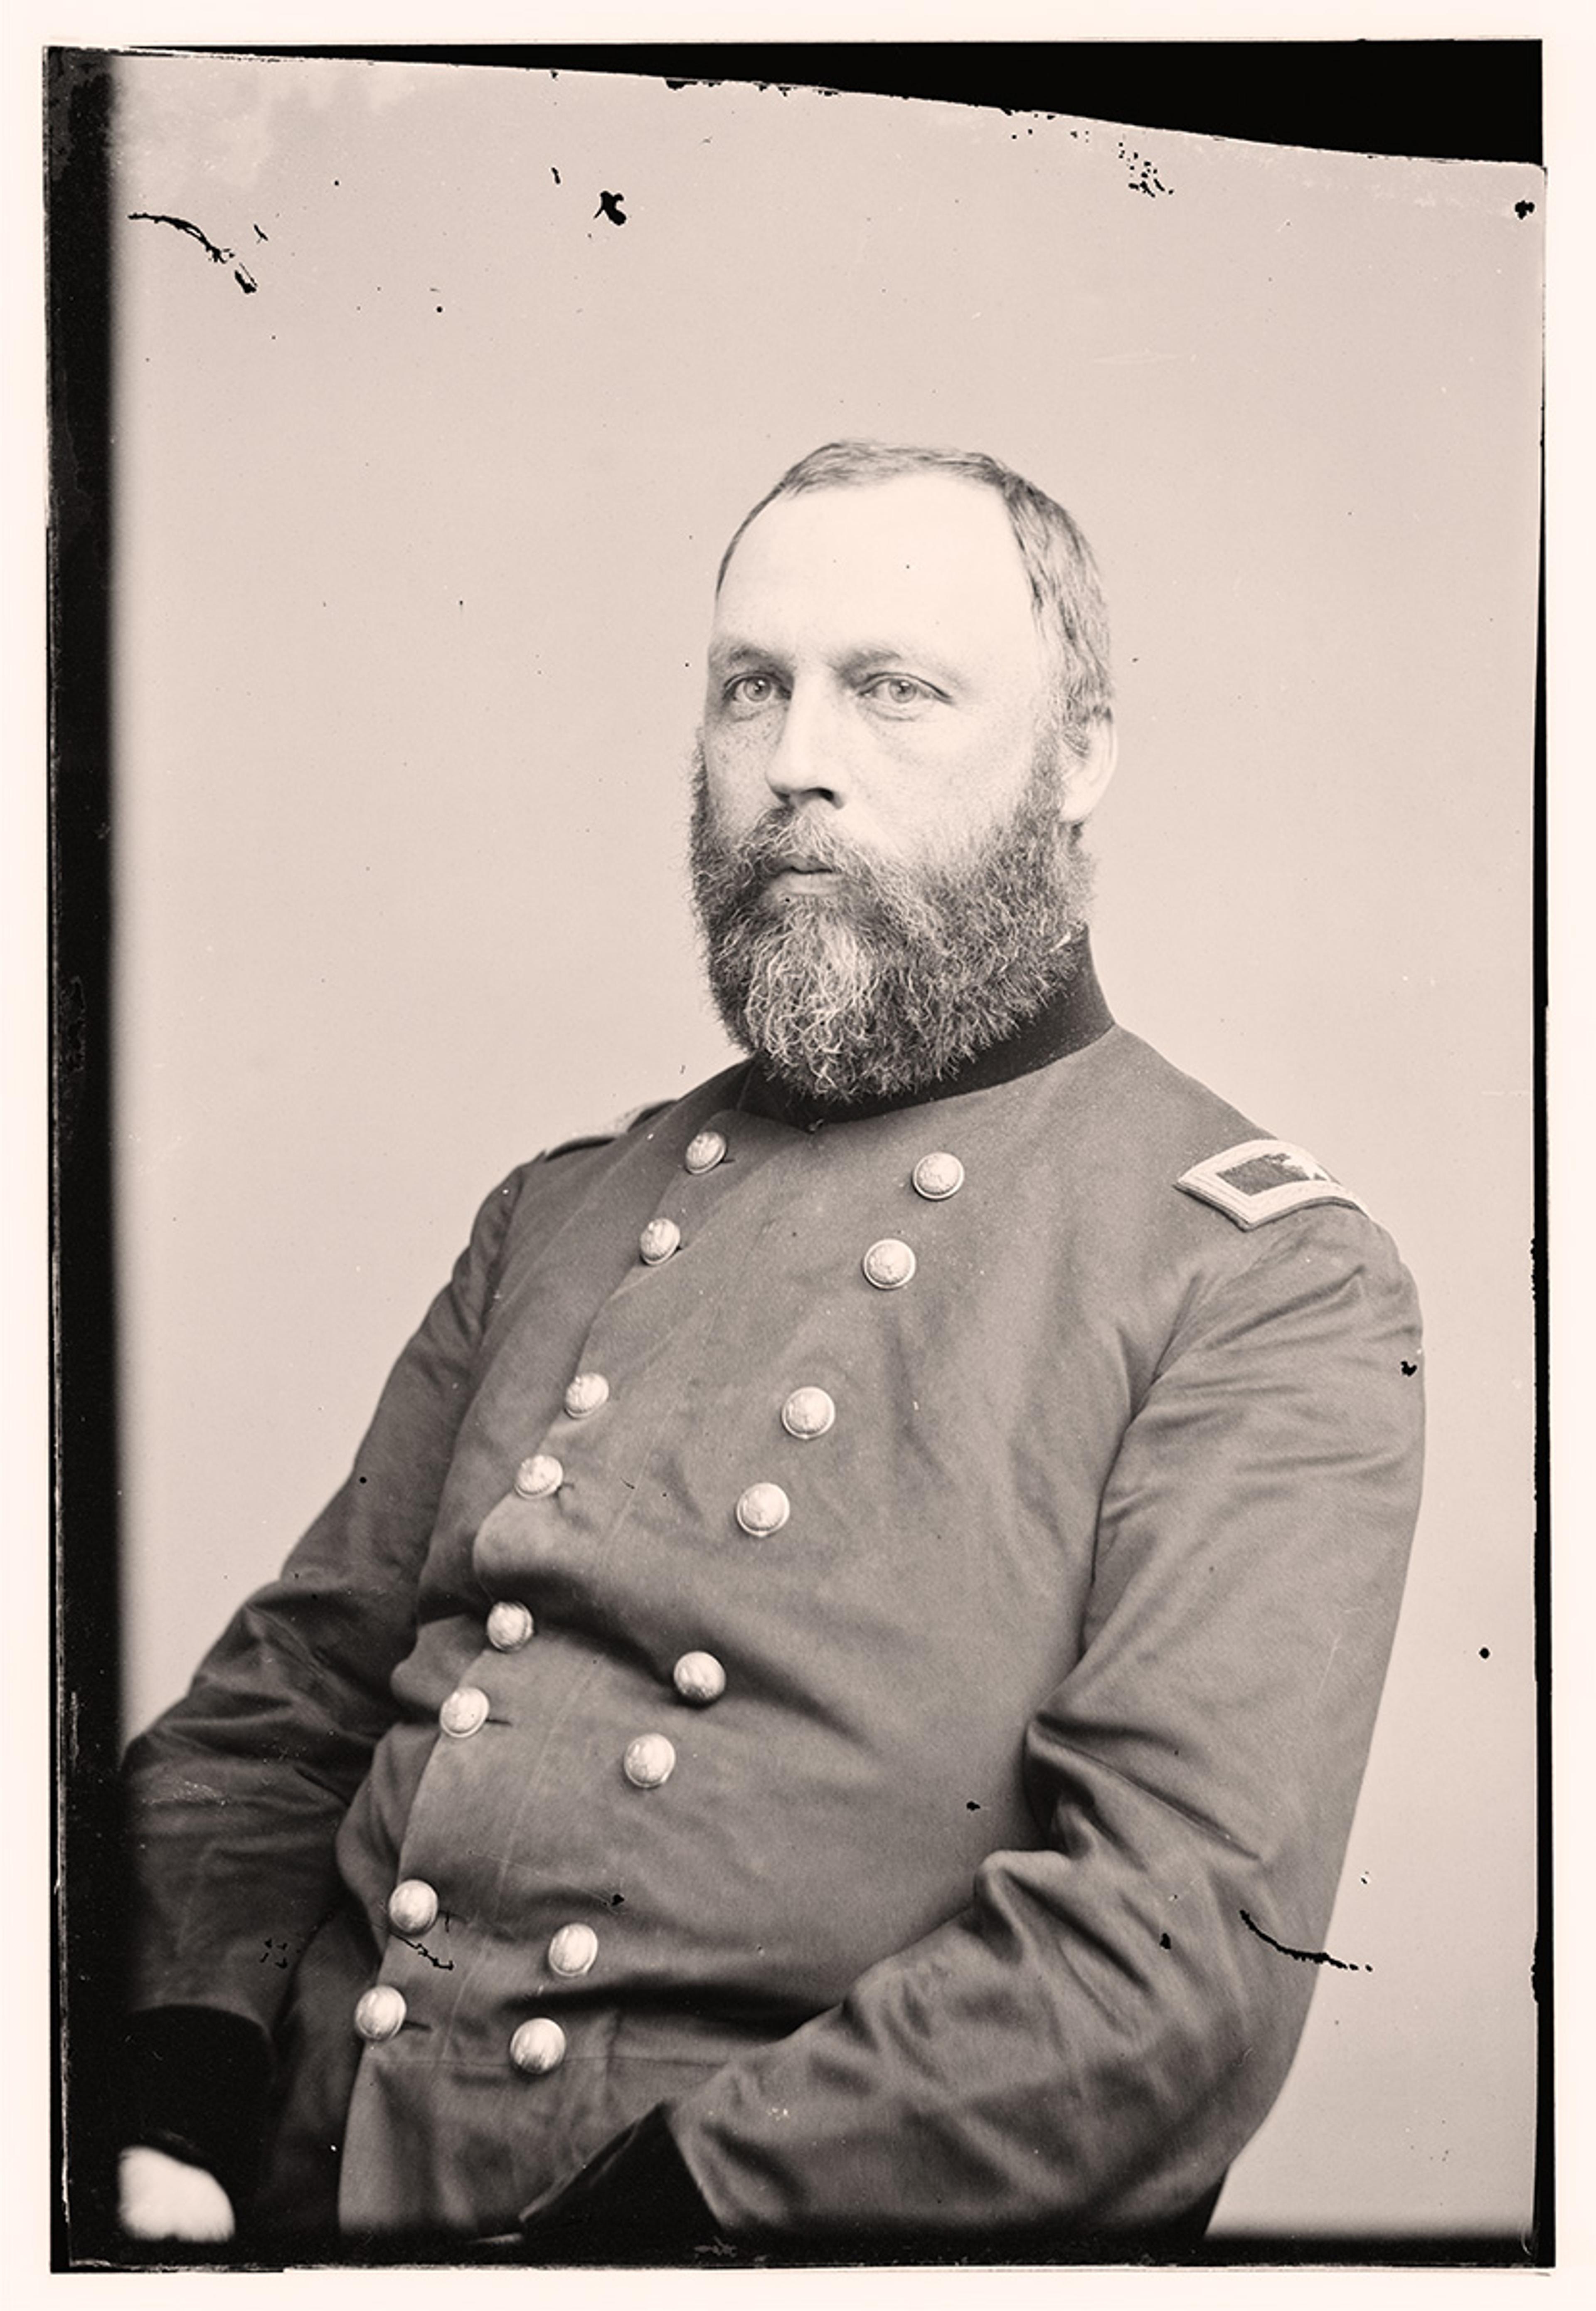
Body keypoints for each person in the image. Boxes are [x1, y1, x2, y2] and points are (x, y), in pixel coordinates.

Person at [117, 440, 1424, 2261]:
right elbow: (271, 1721)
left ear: (1083, 753)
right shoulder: (560, 1213)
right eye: (754, 684)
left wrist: (638, 2243)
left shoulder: (1264, 1278)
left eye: (892, 688)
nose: (797, 755)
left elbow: (1165, 1973)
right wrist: (167, 2101)